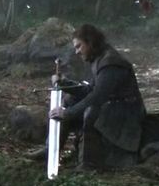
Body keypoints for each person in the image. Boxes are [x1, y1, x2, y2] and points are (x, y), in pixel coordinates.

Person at [49, 24, 145, 170]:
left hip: (126, 112)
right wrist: (65, 83)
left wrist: (68, 113)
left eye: (79, 46)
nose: (77, 52)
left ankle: (87, 163)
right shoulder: (99, 57)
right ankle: (51, 148)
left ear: (90, 42)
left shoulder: (111, 62)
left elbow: (97, 97)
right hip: (112, 106)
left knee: (91, 111)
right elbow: (90, 89)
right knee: (70, 99)